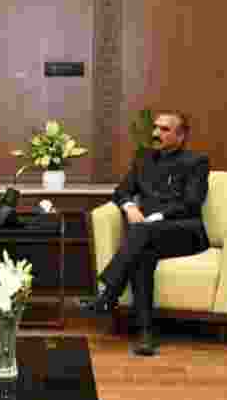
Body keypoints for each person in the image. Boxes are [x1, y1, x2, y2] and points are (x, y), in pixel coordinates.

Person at [79, 111, 210, 356]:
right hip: (147, 234)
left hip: (184, 232)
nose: (155, 134)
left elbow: (193, 202)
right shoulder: (144, 159)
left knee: (141, 234)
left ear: (181, 136)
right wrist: (129, 207)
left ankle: (108, 293)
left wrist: (157, 217)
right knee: (142, 255)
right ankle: (145, 335)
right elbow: (121, 191)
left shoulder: (196, 162)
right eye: (155, 128)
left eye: (164, 130)